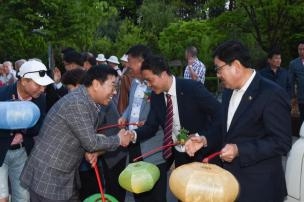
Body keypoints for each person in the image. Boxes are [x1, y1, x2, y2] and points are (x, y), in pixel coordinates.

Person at [185, 40, 292, 202]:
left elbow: (282, 142)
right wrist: (205, 139)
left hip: (260, 188)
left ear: (235, 65)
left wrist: (239, 149)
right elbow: (224, 126)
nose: (218, 75)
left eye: (219, 69)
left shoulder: (271, 93)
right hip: (230, 183)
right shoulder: (229, 92)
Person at [20, 66, 134, 202]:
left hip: (63, 176)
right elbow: (91, 143)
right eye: (113, 86)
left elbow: (82, 136)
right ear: (96, 84)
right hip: (49, 177)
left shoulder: (85, 100)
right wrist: (119, 139)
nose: (115, 92)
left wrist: (90, 151)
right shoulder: (78, 103)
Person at [129, 54, 222, 169]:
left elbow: (220, 114)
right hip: (179, 156)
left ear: (163, 74)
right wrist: (133, 134)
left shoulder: (192, 89)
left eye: (149, 80)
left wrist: (202, 137)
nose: (148, 85)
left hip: (203, 155)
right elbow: (151, 126)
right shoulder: (156, 96)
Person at [0, 60, 53, 202]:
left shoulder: (40, 98)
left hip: (22, 153)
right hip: (1, 151)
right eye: (38, 85)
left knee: (23, 197)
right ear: (24, 81)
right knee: (2, 197)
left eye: (44, 86)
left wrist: (22, 132)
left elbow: (39, 125)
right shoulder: (2, 95)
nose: (42, 89)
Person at [289, 41, 304, 123]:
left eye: (303, 49)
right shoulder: (293, 63)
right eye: (300, 49)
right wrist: (293, 96)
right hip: (301, 96)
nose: (302, 51)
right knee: (302, 117)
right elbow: (291, 81)